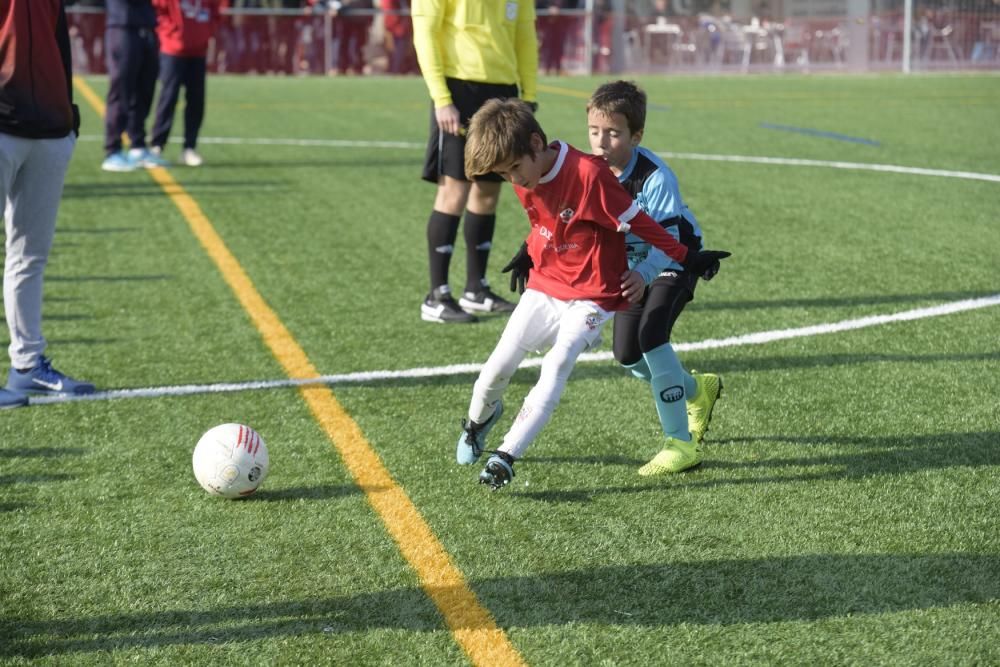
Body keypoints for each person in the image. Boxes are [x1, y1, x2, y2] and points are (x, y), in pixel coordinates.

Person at [456, 98, 729, 489]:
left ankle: (507, 455)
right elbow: (545, 222)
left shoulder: (604, 175)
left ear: (536, 144)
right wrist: (529, 251)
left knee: (579, 357)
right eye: (595, 131)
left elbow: (652, 227)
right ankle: (476, 425)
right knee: (503, 369)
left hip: (618, 279)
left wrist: (688, 258)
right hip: (554, 281)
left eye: (514, 169)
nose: (513, 180)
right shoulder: (525, 174)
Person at [587, 80, 722, 476]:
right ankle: (699, 391)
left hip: (677, 256)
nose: (601, 142)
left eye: (613, 133)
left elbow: (668, 240)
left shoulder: (655, 178)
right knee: (628, 355)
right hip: (633, 267)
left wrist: (644, 274)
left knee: (652, 334)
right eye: (595, 131)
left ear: (636, 135)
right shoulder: (588, 172)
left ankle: (681, 444)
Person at [411, 0, 539, 323]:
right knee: (454, 189)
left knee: (489, 191)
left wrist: (529, 94)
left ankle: (476, 289)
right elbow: (424, 31)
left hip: (504, 91)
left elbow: (525, 35)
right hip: (459, 87)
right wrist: (442, 98)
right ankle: (436, 294)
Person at [0, 0, 96, 408]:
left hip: (50, 131)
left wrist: (68, 121)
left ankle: (27, 366)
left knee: (30, 256)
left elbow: (59, 43)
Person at [149, 0, 226, 168]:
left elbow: (217, 10)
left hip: (198, 51)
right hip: (172, 49)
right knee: (168, 98)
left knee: (196, 100)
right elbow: (157, 8)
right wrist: (170, 30)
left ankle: (189, 148)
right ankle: (157, 145)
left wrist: (207, 32)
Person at [101, 0, 170, 171]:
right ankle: (113, 149)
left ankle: (137, 145)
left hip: (147, 29)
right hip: (123, 27)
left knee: (144, 91)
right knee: (121, 91)